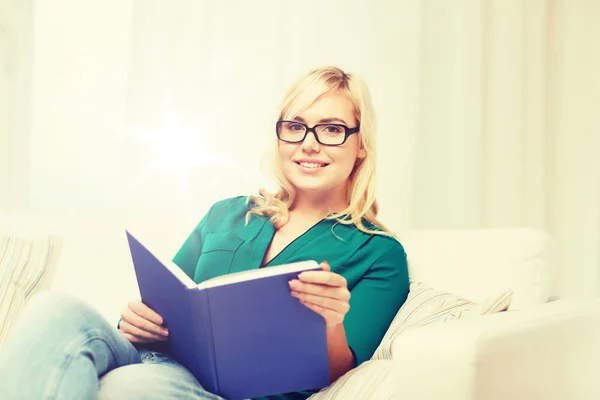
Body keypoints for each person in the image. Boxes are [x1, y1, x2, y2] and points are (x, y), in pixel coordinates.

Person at [0, 66, 409, 400]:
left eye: (332, 129)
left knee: (127, 388)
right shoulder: (230, 213)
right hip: (152, 357)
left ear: (360, 146)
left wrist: (331, 322)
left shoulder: (379, 253)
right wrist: (138, 321)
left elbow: (341, 369)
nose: (309, 144)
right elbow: (165, 304)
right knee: (54, 308)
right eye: (295, 126)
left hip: (224, 392)